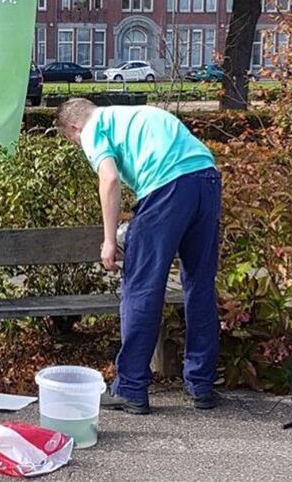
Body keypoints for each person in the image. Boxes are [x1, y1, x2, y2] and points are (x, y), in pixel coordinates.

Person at [56, 98, 221, 415]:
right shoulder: (141, 114)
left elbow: (110, 179)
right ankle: (201, 386)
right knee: (200, 286)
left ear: (74, 127)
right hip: (207, 179)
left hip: (166, 188)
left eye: (72, 141)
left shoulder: (93, 128)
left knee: (142, 287)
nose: (79, 146)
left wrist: (108, 240)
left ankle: (131, 388)